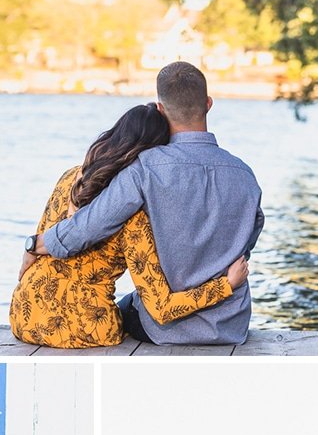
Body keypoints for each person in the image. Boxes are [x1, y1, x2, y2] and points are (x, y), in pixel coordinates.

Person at [27, 62, 264, 346]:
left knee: (124, 309)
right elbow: (248, 243)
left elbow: (90, 226)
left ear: (160, 109)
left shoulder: (144, 169)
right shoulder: (245, 174)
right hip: (231, 326)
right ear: (209, 104)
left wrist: (35, 244)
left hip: (166, 328)